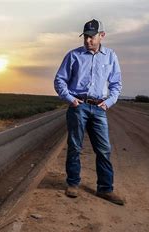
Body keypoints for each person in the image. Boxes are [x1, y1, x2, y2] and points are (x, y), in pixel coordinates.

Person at [54, 19, 125, 205]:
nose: (87, 41)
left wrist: (108, 102)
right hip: (79, 106)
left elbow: (116, 84)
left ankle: (105, 189)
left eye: (91, 37)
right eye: (85, 36)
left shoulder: (110, 56)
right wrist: (71, 99)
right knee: (75, 147)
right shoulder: (73, 56)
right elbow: (60, 80)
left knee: (104, 150)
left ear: (102, 35)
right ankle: (73, 184)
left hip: (100, 108)